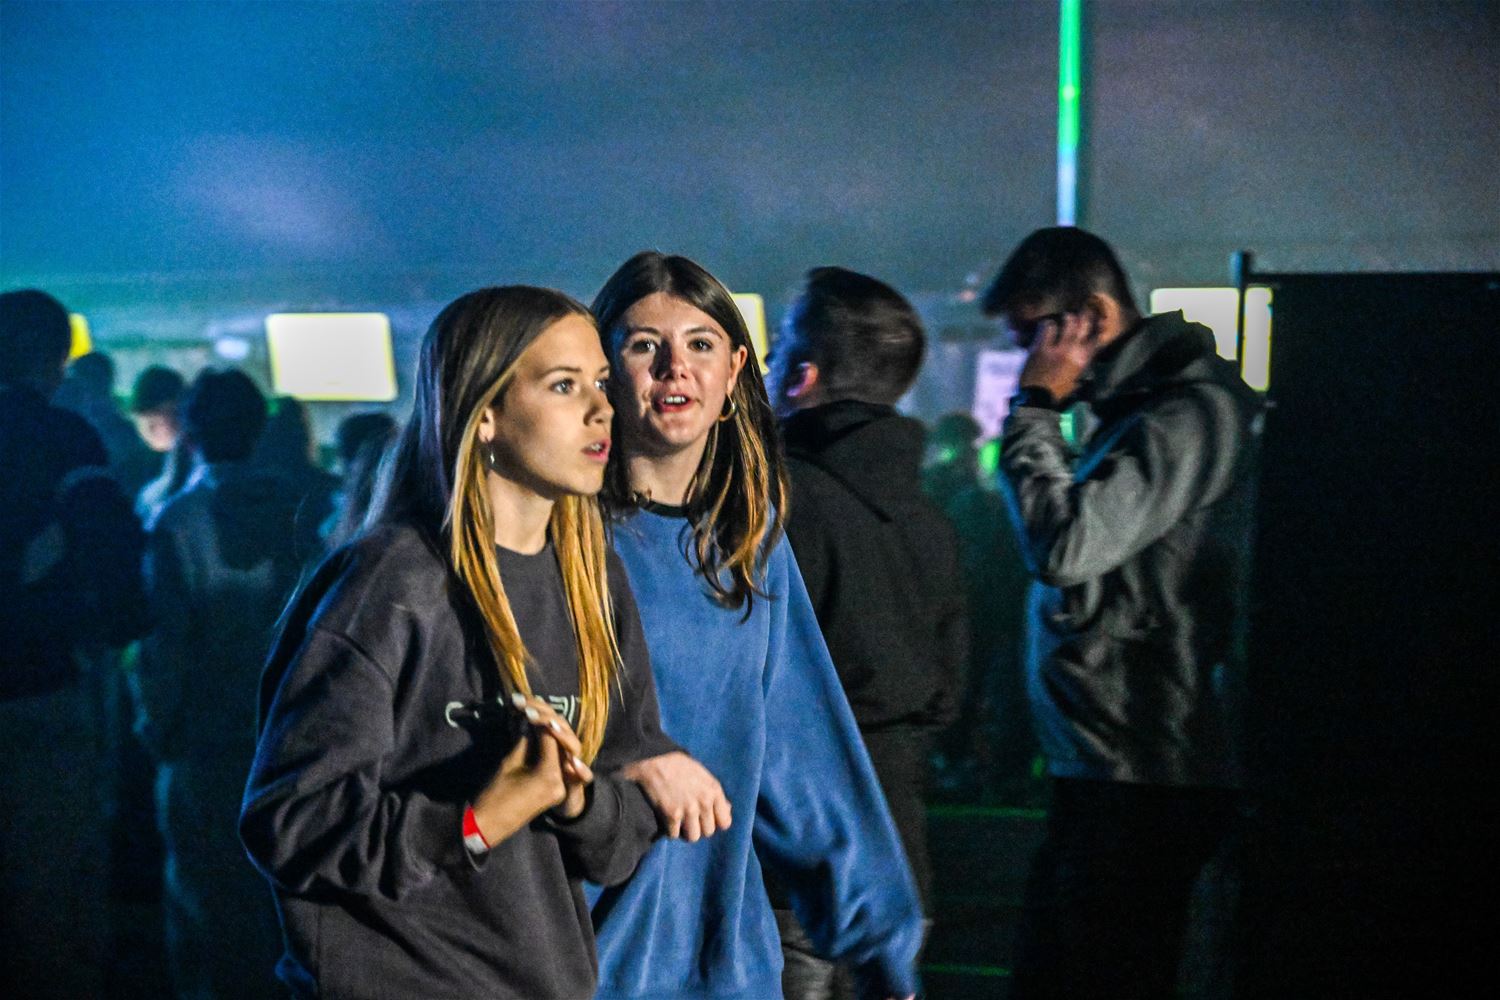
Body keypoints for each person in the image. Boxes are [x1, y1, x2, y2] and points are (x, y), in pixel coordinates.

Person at [240, 286, 677, 998]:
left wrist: (576, 801)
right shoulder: (392, 582)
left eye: (601, 383)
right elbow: (290, 822)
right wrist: (477, 819)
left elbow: (621, 841)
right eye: (564, 385)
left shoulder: (594, 578)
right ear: (484, 414)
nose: (602, 409)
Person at [586, 251, 923, 1000]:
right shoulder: (562, 534)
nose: (675, 367)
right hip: (585, 957)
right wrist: (630, 755)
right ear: (604, 369)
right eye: (644, 345)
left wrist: (882, 945)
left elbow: (805, 754)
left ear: (735, 368)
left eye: (700, 343)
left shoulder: (746, 538)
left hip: (722, 964)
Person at [980, 227, 1260, 999]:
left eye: (1034, 336)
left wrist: (1035, 408)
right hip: (1110, 763)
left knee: (1100, 973)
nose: (1028, 359)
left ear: (1093, 318)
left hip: (1148, 769)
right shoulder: (1138, 412)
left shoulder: (1189, 415)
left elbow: (1066, 546)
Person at [765, 266, 967, 998]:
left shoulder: (777, 505)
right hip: (899, 851)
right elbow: (950, 692)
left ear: (803, 377)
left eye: (776, 348)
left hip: (794, 861)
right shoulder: (930, 517)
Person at [130, 368, 311, 998]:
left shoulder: (178, 520)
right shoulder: (303, 512)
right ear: (258, 430)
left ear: (192, 433)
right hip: (294, 741)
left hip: (204, 744)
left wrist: (158, 725)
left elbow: (165, 646)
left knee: (208, 911)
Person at [0, 289, 149, 997]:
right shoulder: (63, 437)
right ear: (55, 361)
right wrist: (116, 630)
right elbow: (112, 553)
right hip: (44, 688)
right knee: (51, 893)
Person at [922, 412, 1037, 804]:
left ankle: (965, 764)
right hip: (976, 607)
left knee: (978, 686)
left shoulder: (967, 495)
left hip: (980, 607)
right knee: (974, 686)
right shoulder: (961, 494)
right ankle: (967, 764)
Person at [130, 365, 193, 524]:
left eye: (162, 412)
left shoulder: (193, 464)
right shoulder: (132, 468)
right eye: (145, 414)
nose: (152, 426)